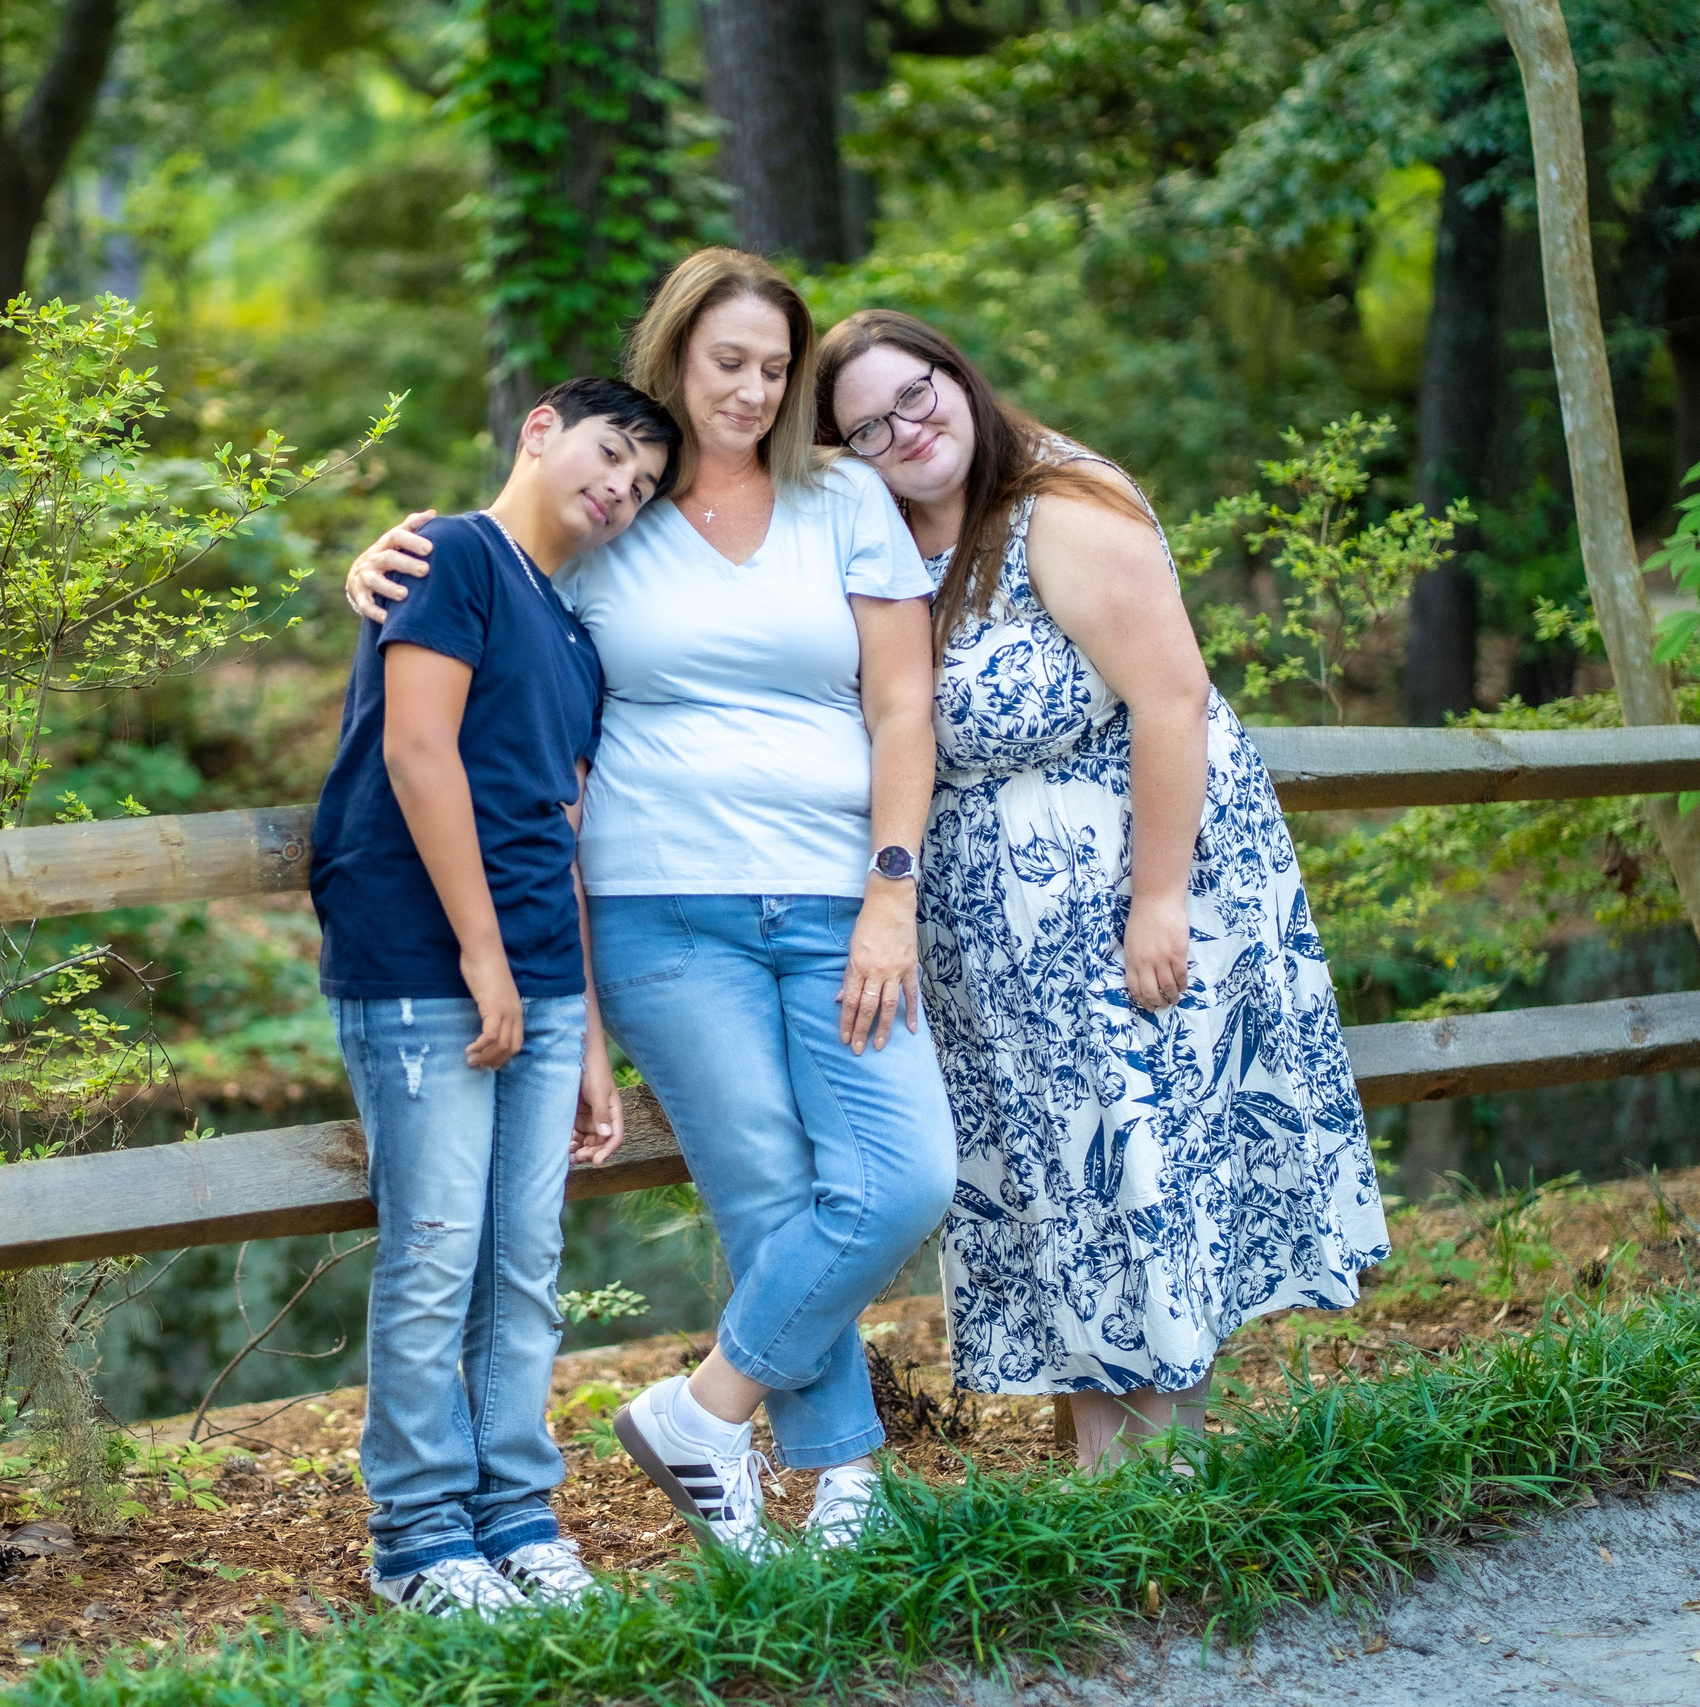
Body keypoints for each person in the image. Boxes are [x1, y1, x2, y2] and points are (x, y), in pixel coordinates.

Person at [344, 249, 954, 1556]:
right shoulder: (617, 510)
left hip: (839, 893)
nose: (750, 387)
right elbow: (488, 579)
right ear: (673, 354)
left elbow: (904, 700)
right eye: (726, 359)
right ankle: (845, 1493)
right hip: (661, 909)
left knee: (904, 1174)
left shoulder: (842, 494)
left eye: (776, 367)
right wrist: (375, 563)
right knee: (765, 1190)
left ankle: (700, 1410)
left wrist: (891, 891)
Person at [813, 308, 1391, 1470]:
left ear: (956, 377)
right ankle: (1110, 1484)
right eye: (866, 426)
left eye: (915, 396)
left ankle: (1159, 1481)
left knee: (1135, 1171)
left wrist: (1158, 903)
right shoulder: (883, 541)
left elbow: (1172, 703)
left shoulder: (1062, 515)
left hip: (1120, 905)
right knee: (1053, 1196)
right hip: (987, 943)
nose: (904, 431)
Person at [312, 375, 678, 1615]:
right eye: (610, 452)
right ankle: (416, 1539)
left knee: (522, 1261)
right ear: (540, 429)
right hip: (422, 962)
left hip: (534, 976)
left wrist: (575, 1025)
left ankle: (514, 1515)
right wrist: (479, 952)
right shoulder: (451, 554)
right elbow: (418, 749)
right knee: (431, 1252)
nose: (619, 487)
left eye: (641, 483)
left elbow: (558, 828)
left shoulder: (575, 637)